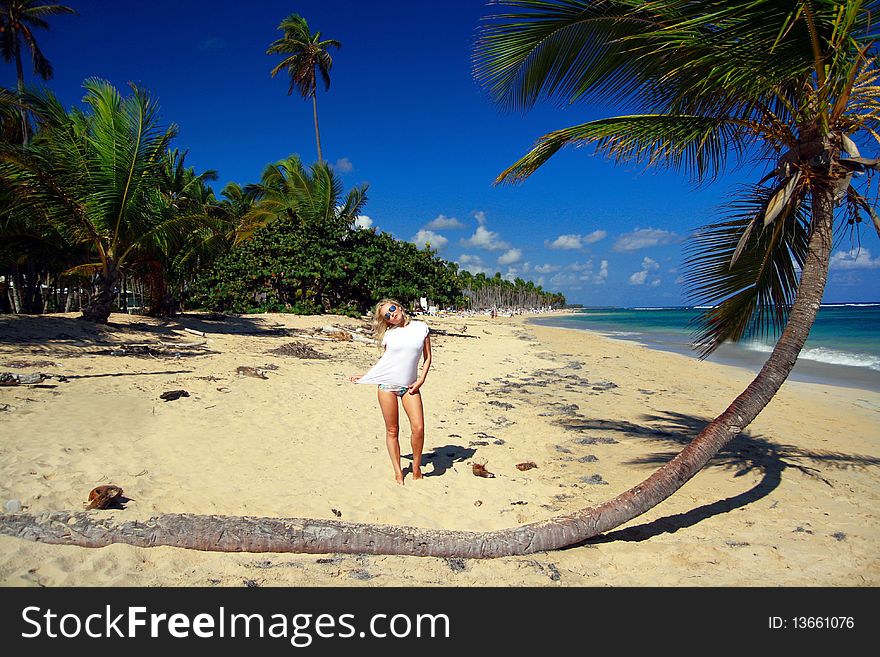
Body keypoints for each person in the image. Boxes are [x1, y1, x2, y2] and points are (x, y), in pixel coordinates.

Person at [349, 299, 432, 485]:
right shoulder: (389, 335)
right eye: (387, 315)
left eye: (392, 309)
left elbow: (427, 358)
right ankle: (398, 472)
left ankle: (416, 468)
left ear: (400, 307)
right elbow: (386, 363)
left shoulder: (421, 328)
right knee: (392, 430)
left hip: (410, 386)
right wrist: (366, 376)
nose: (392, 315)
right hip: (386, 386)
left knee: (418, 428)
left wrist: (421, 380)